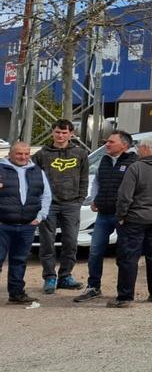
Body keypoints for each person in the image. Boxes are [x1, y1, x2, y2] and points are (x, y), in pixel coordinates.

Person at [110, 135, 152, 308]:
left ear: (147, 148)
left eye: (139, 147)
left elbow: (124, 196)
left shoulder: (136, 168)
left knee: (129, 257)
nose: (137, 150)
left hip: (135, 219)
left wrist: (121, 216)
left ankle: (125, 297)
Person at [74, 130, 137, 303]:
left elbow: (137, 189)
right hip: (103, 214)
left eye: (111, 142)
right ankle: (93, 287)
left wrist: (128, 210)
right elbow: (97, 182)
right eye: (106, 141)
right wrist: (94, 199)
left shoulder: (134, 162)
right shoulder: (105, 160)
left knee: (124, 255)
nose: (106, 144)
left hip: (123, 216)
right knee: (95, 252)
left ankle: (123, 292)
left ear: (124, 145)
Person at [34, 118, 90, 293]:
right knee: (47, 243)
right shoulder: (41, 154)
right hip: (48, 205)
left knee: (71, 241)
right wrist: (39, 202)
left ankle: (65, 276)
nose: (60, 135)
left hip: (71, 204)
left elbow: (84, 178)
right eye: (57, 132)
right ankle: (49, 277)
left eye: (64, 132)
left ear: (71, 134)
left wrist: (80, 198)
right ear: (52, 132)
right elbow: (34, 179)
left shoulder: (80, 153)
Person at [1, 142, 52, 306]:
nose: (23, 157)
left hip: (27, 225)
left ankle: (16, 294)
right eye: (19, 154)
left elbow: (46, 196)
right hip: (2, 224)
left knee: (19, 260)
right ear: (10, 154)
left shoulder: (38, 171)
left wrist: (40, 216)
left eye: (26, 154)